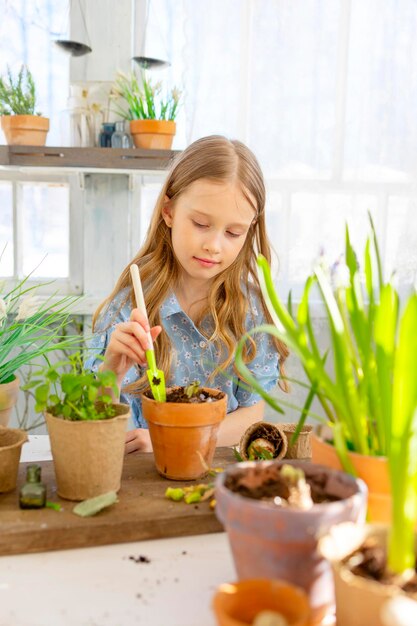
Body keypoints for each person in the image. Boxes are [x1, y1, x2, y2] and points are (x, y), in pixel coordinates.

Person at [85, 135, 288, 453]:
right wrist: (111, 370)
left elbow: (253, 412)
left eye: (233, 232)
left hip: (217, 475)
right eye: (201, 223)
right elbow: (95, 423)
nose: (214, 245)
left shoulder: (251, 312)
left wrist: (174, 440)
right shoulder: (128, 307)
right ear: (169, 211)